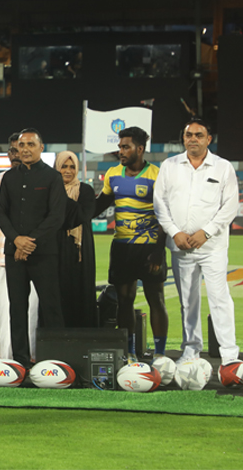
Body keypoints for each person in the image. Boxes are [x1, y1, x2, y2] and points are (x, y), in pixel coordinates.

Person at [154, 118, 240, 365]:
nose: (193, 139)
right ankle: (191, 351)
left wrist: (207, 232)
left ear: (208, 139)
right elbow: (160, 204)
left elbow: (230, 206)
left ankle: (229, 356)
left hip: (212, 247)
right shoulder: (169, 166)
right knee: (187, 302)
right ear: (183, 138)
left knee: (219, 299)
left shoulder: (222, 167)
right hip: (180, 247)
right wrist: (174, 232)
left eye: (198, 135)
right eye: (188, 135)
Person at [95, 127, 167, 362]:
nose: (121, 151)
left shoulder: (156, 175)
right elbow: (100, 204)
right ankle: (129, 353)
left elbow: (165, 216)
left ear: (140, 149)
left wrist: (159, 251)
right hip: (122, 247)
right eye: (120, 147)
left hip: (149, 247)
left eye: (126, 147)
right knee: (124, 300)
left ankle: (160, 354)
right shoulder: (113, 174)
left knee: (155, 299)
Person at [0, 128, 66, 368]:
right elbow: (1, 214)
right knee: (17, 308)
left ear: (41, 148)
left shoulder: (52, 177)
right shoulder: (9, 178)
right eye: (21, 145)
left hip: (44, 253)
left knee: (51, 307)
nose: (25, 149)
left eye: (30, 145)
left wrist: (28, 243)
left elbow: (56, 217)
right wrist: (16, 240)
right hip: (14, 252)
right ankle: (21, 362)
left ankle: (56, 361)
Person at [0, 133, 39, 361]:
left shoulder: (41, 178)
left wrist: (25, 244)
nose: (17, 154)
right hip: (2, 254)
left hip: (34, 254)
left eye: (21, 148)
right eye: (13, 150)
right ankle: (5, 359)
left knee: (31, 311)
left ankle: (30, 357)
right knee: (4, 311)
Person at [54, 151, 97, 328]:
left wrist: (57, 194)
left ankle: (84, 336)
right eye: (63, 166)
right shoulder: (49, 190)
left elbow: (80, 215)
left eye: (72, 167)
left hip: (80, 250)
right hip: (55, 248)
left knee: (82, 291)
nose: (68, 171)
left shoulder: (85, 191)